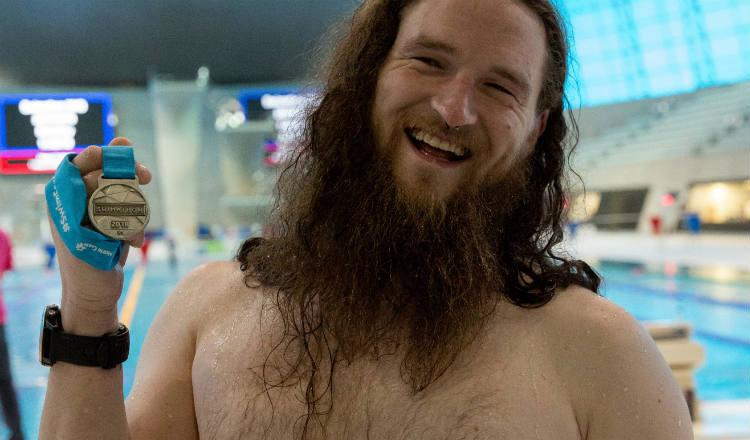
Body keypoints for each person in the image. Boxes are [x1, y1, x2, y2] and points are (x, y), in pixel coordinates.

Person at [40, 0, 693, 438]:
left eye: (500, 87)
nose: (455, 107)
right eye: (428, 60)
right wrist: (88, 306)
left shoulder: (602, 354)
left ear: (536, 131)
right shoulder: (208, 312)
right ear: (369, 76)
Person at [0, 228, 24, 440]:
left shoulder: (3, 237)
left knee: (4, 379)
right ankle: (16, 432)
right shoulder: (3, 237)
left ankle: (17, 433)